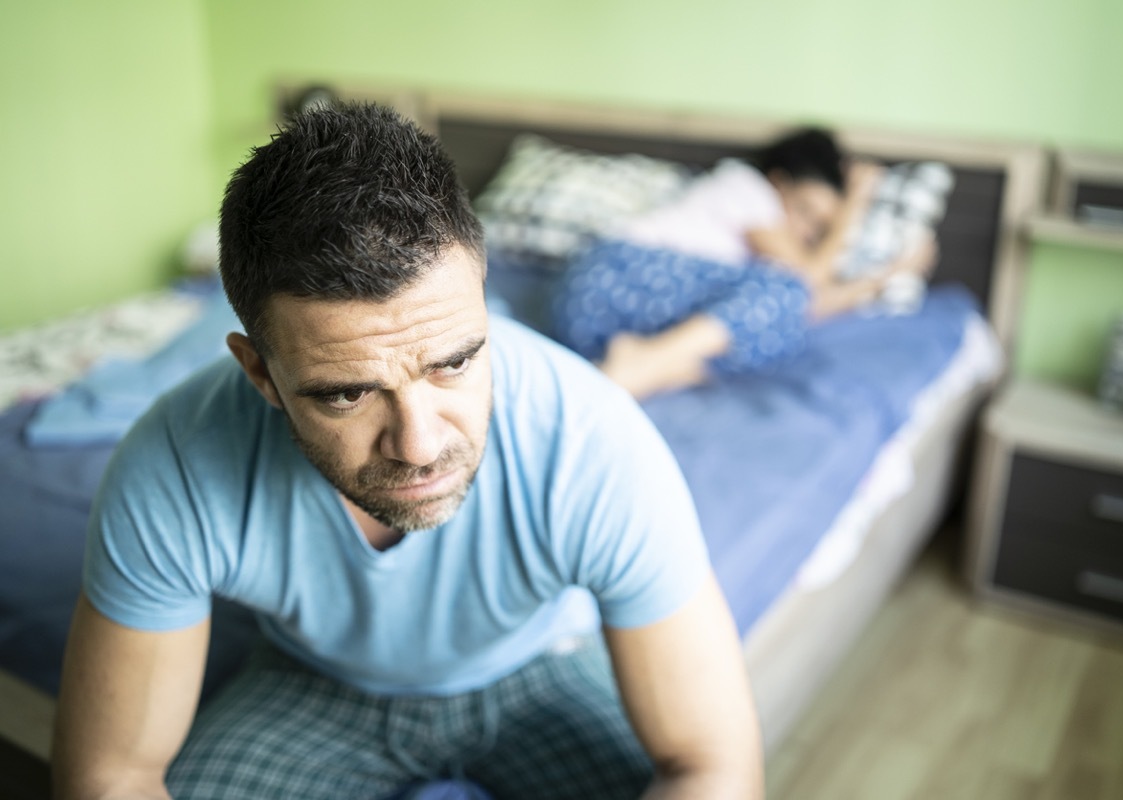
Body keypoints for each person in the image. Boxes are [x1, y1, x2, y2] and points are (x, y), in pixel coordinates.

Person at [51, 104, 761, 800]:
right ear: (260, 373)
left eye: (453, 362)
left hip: (541, 666)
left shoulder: (595, 444)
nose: (420, 445)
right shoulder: (171, 463)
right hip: (313, 685)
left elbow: (712, 767)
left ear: (483, 308)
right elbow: (112, 777)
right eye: (346, 395)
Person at [552, 129, 937, 398]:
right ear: (779, 182)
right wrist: (855, 203)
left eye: (818, 230)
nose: (804, 231)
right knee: (784, 292)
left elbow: (808, 306)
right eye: (804, 210)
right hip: (609, 275)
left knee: (778, 329)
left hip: (605, 325)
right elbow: (805, 280)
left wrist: (887, 275)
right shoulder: (746, 187)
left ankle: (650, 364)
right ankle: (641, 368)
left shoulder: (754, 284)